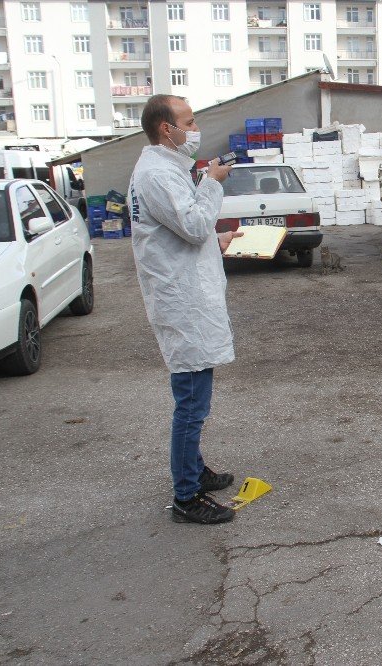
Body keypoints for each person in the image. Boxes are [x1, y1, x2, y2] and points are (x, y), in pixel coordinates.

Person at [129, 94, 242, 525]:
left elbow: (178, 235)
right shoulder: (157, 174)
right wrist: (213, 181)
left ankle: (194, 470)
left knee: (196, 394)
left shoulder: (167, 171)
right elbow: (194, 226)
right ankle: (186, 496)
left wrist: (220, 241)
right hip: (182, 303)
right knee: (192, 402)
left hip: (187, 294)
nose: (194, 129)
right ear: (165, 129)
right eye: (188, 122)